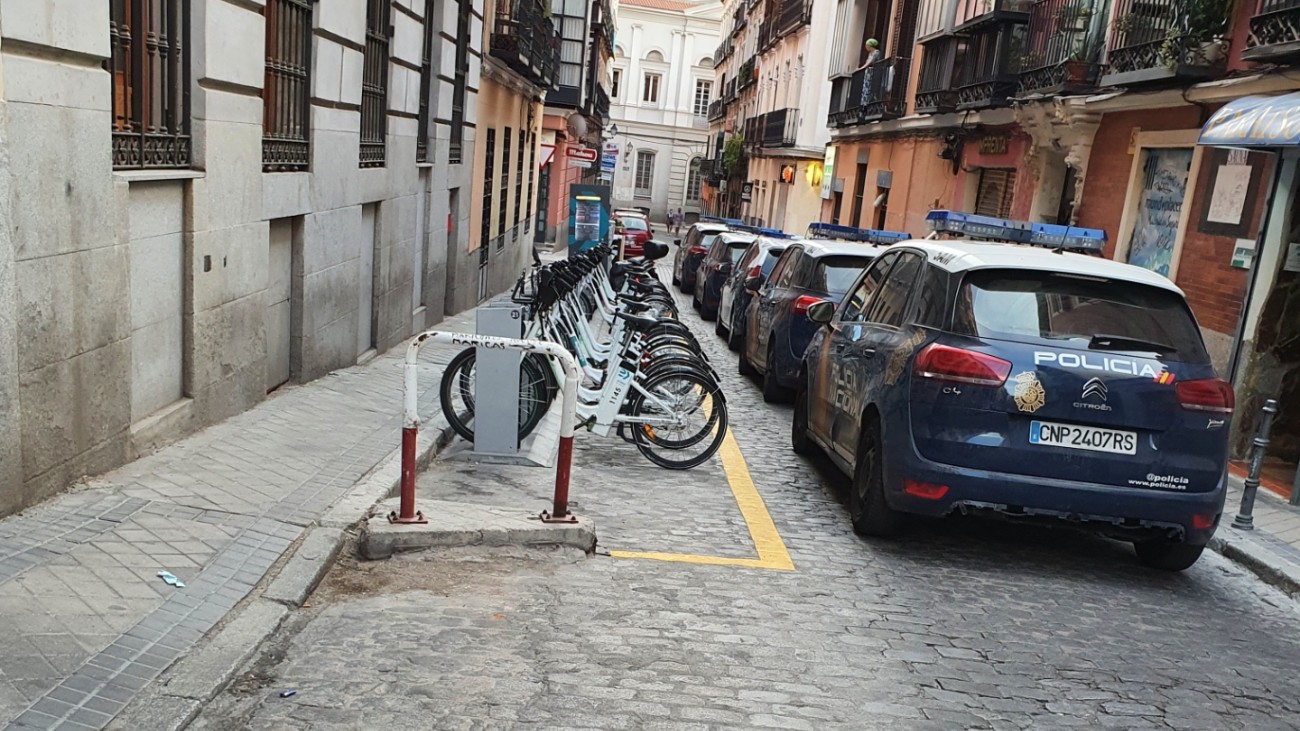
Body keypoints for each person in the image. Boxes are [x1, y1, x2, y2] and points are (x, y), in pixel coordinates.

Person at [858, 39, 880, 108]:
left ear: (870, 46)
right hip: (868, 72)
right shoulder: (870, 53)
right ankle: (864, 103)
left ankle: (868, 103)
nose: (866, 47)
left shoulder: (876, 52)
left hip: (872, 72)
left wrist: (861, 68)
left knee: (870, 88)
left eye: (866, 46)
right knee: (865, 88)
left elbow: (870, 62)